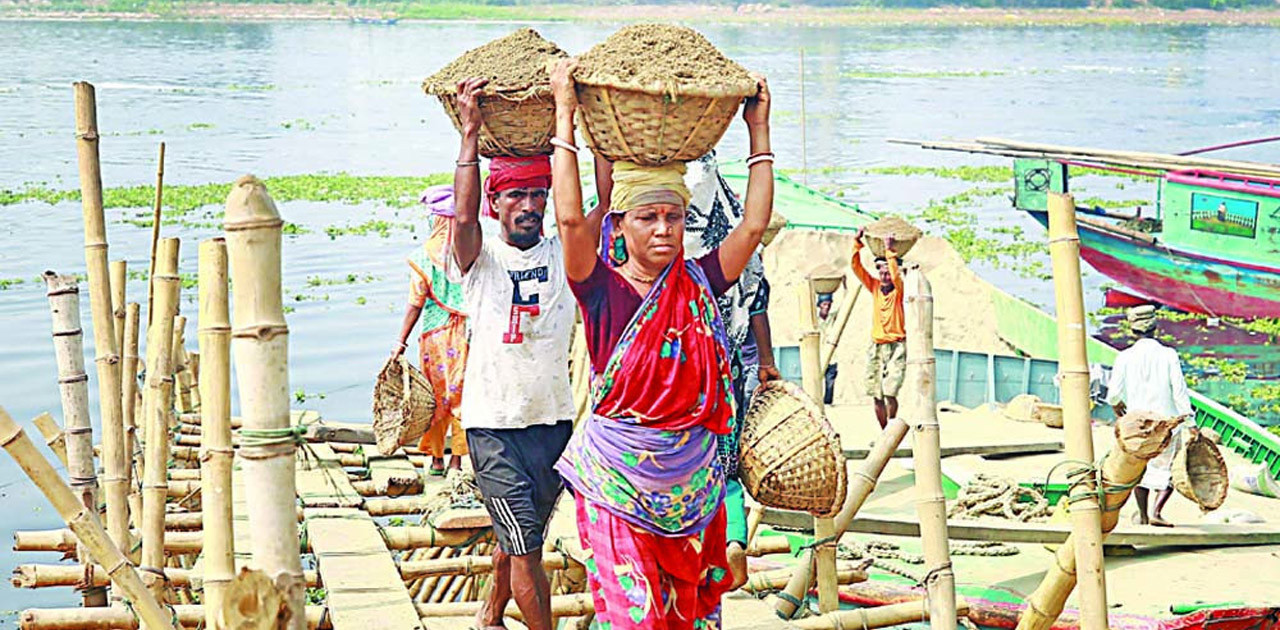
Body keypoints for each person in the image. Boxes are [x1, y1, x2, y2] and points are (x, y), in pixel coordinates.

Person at [548, 58, 773, 629]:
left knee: (691, 618)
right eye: (647, 217)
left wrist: (759, 131)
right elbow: (573, 222)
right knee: (636, 618)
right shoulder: (601, 290)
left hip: (692, 486)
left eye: (672, 216)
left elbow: (751, 227)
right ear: (619, 225)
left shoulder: (699, 280)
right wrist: (564, 115)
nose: (663, 229)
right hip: (617, 481)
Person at [449, 77, 577, 630]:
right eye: (516, 196)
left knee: (522, 532)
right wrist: (471, 134)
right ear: (496, 202)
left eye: (537, 195)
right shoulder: (481, 260)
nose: (528, 207)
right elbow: (461, 218)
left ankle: (489, 615)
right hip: (494, 426)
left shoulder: (565, 254)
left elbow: (593, 208)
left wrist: (574, 122)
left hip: (552, 421)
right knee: (527, 549)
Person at [391, 185, 468, 476]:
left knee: (436, 396)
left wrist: (400, 342)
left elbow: (415, 303)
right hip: (468, 334)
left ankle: (436, 458)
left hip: (434, 336)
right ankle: (458, 461)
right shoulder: (470, 251)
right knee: (463, 397)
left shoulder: (424, 257)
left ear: (435, 219)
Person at [1106, 305, 1196, 527]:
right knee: (1170, 468)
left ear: (1132, 330)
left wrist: (1118, 407)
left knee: (1140, 467)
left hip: (1138, 426)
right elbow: (1179, 391)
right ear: (1155, 328)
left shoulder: (1124, 357)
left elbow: (1114, 394)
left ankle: (1144, 515)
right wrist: (1190, 422)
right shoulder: (1168, 354)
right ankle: (1157, 511)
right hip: (1166, 424)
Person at [851, 228, 905, 429]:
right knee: (876, 394)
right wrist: (857, 244)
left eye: (887, 273)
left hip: (896, 346)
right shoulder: (874, 287)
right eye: (881, 272)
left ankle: (892, 428)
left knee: (890, 391)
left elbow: (897, 277)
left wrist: (890, 251)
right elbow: (856, 268)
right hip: (876, 346)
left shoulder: (899, 290)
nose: (885, 276)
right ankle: (884, 433)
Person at [818, 292, 837, 405]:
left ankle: (828, 404)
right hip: (818, 356)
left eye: (828, 305)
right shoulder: (815, 320)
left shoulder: (832, 318)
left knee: (830, 384)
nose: (826, 307)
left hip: (831, 357)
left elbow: (844, 305)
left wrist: (845, 285)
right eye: (824, 304)